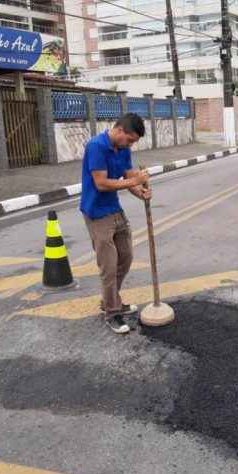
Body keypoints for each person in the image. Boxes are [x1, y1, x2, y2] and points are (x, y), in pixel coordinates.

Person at [80, 113, 151, 335]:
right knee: (108, 267)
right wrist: (135, 181)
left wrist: (142, 192)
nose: (130, 145)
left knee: (126, 258)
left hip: (114, 209)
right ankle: (112, 312)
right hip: (97, 213)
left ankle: (112, 300)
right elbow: (101, 183)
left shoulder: (123, 149)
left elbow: (129, 177)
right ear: (119, 130)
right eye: (130, 140)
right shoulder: (96, 146)